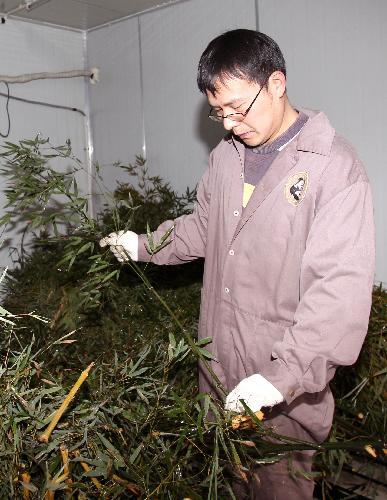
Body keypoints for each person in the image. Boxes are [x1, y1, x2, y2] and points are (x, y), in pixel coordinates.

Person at [100, 29, 375, 499]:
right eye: (218, 112)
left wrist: (278, 380)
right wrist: (143, 245)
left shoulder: (333, 169)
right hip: (218, 375)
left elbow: (338, 296)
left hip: (280, 399)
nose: (228, 124)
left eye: (238, 108)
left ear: (276, 83)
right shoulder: (226, 159)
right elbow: (203, 228)